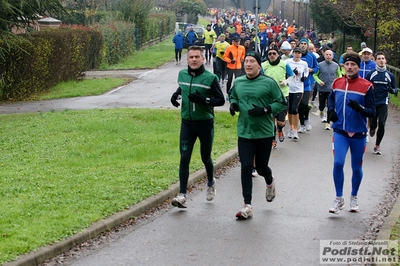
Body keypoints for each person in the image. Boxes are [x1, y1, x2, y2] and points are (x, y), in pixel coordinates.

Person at [229, 51, 287, 219]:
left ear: (259, 65)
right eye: (246, 61)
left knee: (261, 167)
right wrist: (233, 105)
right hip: (245, 132)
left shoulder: (268, 83)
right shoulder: (238, 82)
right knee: (246, 167)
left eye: (252, 61)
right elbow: (232, 96)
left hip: (264, 132)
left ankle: (269, 181)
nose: (248, 64)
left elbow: (282, 103)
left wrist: (265, 110)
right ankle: (247, 205)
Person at [170, 46, 225, 208]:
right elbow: (184, 86)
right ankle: (182, 194)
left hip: (205, 123)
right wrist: (175, 94)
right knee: (184, 157)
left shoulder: (210, 78)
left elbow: (220, 100)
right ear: (187, 60)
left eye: (197, 57)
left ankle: (210, 181)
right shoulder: (182, 74)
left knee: (205, 157)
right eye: (191, 57)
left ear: (203, 59)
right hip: (187, 122)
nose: (194, 60)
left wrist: (204, 100)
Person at [327, 52, 376, 214]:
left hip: (359, 134)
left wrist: (360, 109)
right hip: (340, 131)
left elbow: (372, 111)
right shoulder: (337, 83)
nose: (349, 67)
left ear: (358, 66)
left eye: (353, 65)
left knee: (356, 167)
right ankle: (338, 198)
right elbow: (331, 99)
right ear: (343, 66)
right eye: (347, 64)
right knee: (338, 163)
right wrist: (331, 111)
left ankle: (354, 197)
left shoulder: (367, 86)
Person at [365, 51, 398, 155]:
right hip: (373, 102)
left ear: (385, 61)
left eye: (383, 58)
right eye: (379, 59)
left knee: (382, 124)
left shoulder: (390, 75)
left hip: (384, 102)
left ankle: (377, 145)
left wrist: (393, 91)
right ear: (375, 61)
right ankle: (372, 128)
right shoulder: (371, 74)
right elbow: (365, 86)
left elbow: (395, 88)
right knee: (374, 124)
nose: (381, 60)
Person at [261, 45, 294, 147]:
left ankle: (280, 129)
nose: (272, 55)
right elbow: (260, 78)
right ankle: (272, 138)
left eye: (274, 53)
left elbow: (292, 76)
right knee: (271, 120)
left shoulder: (284, 64)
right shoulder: (263, 65)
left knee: (280, 122)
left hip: (282, 95)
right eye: (270, 54)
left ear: (278, 54)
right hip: (268, 97)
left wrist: (286, 81)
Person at [313, 49, 342, 130]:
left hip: (331, 89)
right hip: (322, 88)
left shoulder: (336, 65)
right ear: (324, 56)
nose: (328, 56)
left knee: (330, 106)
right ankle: (321, 111)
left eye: (330, 55)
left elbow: (339, 75)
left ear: (333, 56)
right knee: (321, 105)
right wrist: (319, 81)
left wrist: (337, 81)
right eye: (327, 54)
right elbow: (315, 75)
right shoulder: (320, 65)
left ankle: (328, 123)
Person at [286, 47, 309, 140]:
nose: (297, 54)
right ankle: (291, 128)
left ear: (301, 54)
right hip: (288, 88)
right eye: (295, 53)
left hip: (299, 88)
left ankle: (295, 130)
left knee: (295, 108)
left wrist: (305, 77)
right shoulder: (287, 62)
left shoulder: (304, 63)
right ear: (293, 53)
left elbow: (306, 72)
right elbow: (285, 72)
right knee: (289, 109)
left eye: (299, 53)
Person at [297, 38, 319, 133]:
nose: (302, 45)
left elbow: (317, 67)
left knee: (304, 103)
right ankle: (302, 124)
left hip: (307, 84)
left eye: (304, 44)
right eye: (301, 43)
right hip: (297, 84)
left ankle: (306, 119)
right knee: (299, 106)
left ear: (307, 45)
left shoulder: (312, 56)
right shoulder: (295, 55)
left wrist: (311, 70)